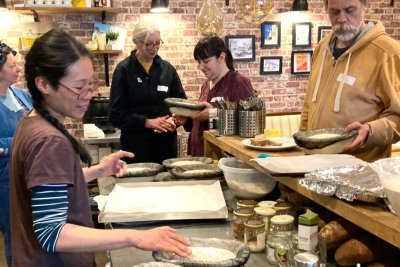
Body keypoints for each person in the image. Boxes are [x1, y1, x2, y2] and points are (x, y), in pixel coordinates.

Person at [9, 28, 191, 266]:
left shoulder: (32, 120)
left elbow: (48, 184)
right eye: (78, 86)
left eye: (91, 84)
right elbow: (51, 233)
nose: (88, 95)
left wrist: (96, 171)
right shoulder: (48, 140)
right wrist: (135, 236)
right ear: (44, 84)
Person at [299, 0, 400, 162]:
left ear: (364, 6)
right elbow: (309, 105)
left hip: (360, 172)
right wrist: (302, 147)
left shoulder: (388, 53)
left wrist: (370, 131)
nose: (342, 19)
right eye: (334, 12)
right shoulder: (322, 48)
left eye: (349, 10)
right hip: (313, 166)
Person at [109, 20, 187, 164]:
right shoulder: (124, 70)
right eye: (149, 44)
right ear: (137, 43)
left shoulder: (168, 70)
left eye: (157, 43)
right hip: (136, 147)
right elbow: (116, 115)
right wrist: (148, 122)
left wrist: (176, 120)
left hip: (165, 146)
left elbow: (182, 105)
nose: (154, 48)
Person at [184, 36, 254, 156]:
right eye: (199, 62)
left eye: (205, 61)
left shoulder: (238, 82)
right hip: (200, 154)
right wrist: (186, 118)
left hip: (223, 157)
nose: (200, 67)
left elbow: (249, 124)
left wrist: (214, 114)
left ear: (221, 57)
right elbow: (200, 122)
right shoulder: (206, 85)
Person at [0, 42, 33, 266]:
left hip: (32, 173)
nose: (18, 68)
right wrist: (23, 142)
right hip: (5, 180)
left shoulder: (22, 95)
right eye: (12, 65)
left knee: (35, 233)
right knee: (16, 234)